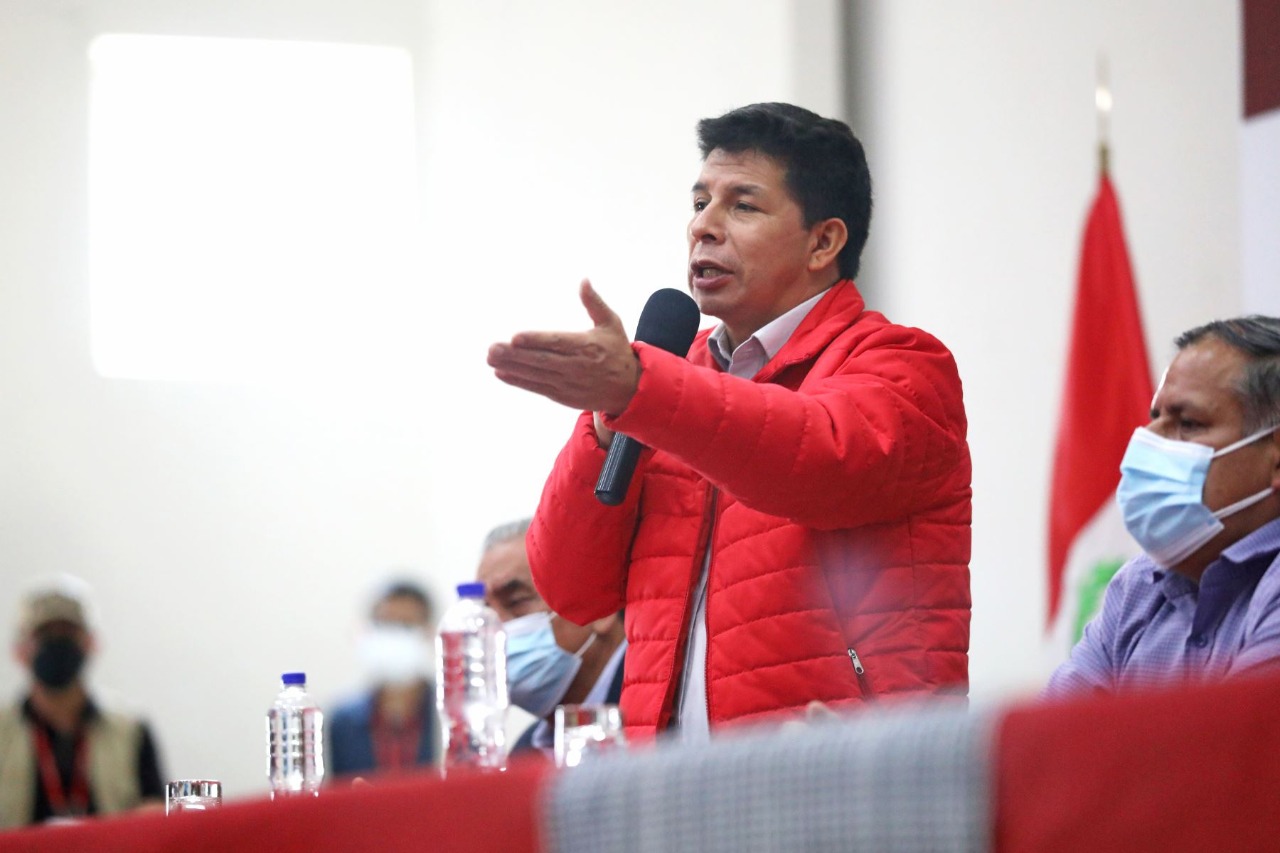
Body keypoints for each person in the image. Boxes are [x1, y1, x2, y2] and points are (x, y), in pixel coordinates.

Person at [487, 102, 972, 742]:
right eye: (699, 203)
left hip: (846, 768)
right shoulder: (664, 381)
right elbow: (573, 591)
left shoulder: (903, 365)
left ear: (824, 242)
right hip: (672, 779)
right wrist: (605, 427)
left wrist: (643, 391)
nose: (703, 227)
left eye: (742, 206)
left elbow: (815, 461)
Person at [1046, 316, 1280, 697]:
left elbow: (1245, 735)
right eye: (1156, 417)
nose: (1147, 439)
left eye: (1188, 423)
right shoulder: (1138, 586)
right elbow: (1061, 729)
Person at [0, 576, 165, 827]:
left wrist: (156, 814)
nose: (57, 643)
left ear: (91, 643)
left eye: (68, 633)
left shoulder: (131, 730)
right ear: (20, 650)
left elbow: (160, 807)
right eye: (45, 634)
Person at [475, 519, 626, 753]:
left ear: (601, 609)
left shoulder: (667, 713)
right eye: (486, 611)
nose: (494, 628)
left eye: (516, 601)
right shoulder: (524, 752)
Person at [327, 579, 438, 778]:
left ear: (428, 634)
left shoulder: (449, 714)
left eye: (406, 625)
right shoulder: (343, 721)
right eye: (384, 624)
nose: (393, 635)